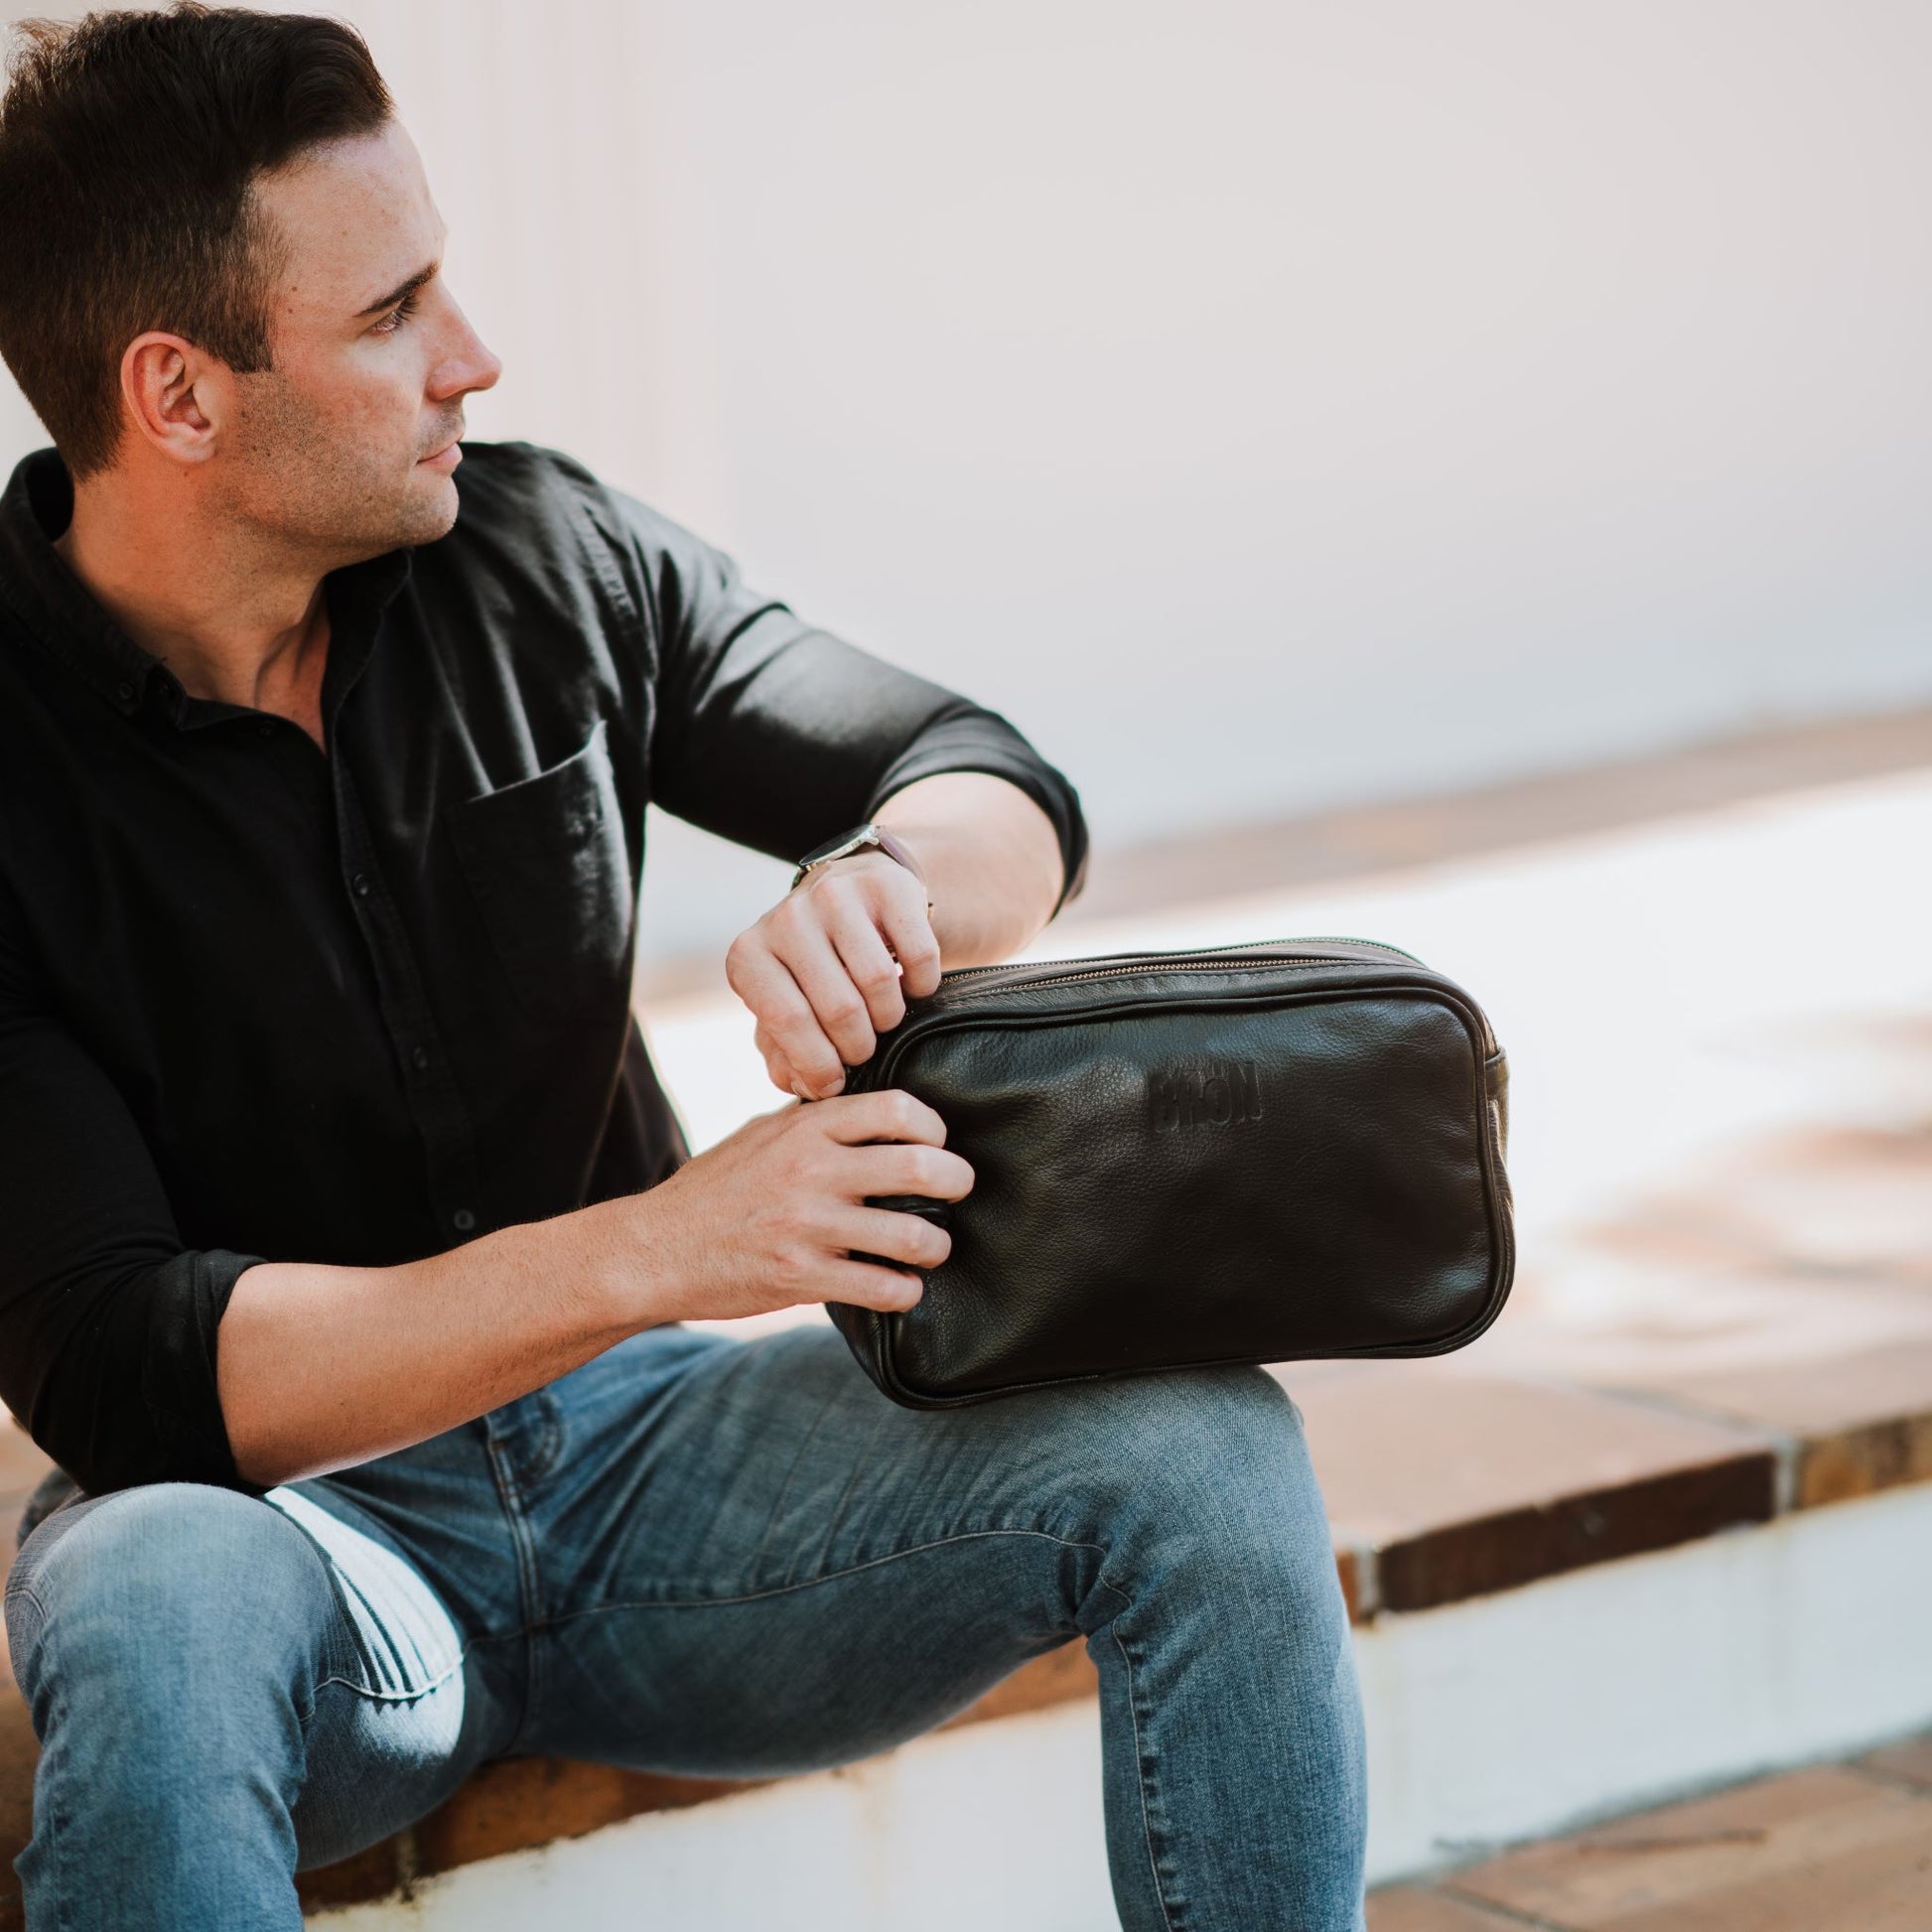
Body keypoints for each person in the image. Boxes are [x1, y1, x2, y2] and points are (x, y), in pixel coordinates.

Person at [0, 8, 1367, 1927]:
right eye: (392, 313)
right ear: (182, 394)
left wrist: (890, 880)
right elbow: (126, 1368)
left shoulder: (533, 547)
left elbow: (992, 774)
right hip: (308, 1548)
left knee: (1205, 1444)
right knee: (144, 1584)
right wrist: (669, 1245)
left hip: (661, 1482)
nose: (470, 355)